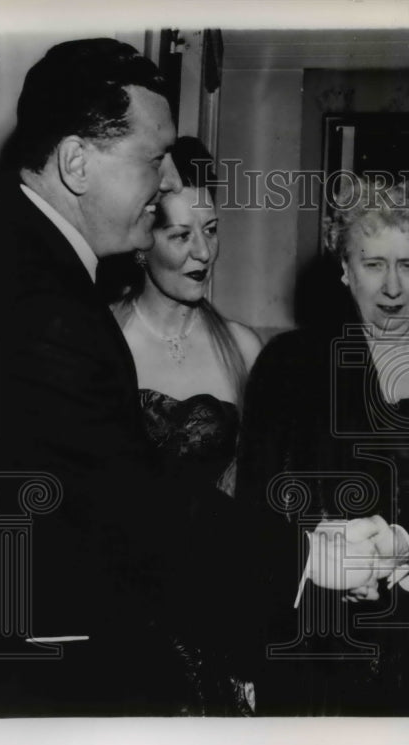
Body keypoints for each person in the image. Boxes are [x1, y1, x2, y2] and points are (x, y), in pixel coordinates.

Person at [0, 39, 207, 716]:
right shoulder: (45, 306)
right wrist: (307, 555)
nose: (166, 185)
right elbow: (134, 513)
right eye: (153, 159)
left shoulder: (1, 254)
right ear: (75, 162)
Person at [235, 176, 409, 715]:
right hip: (325, 652)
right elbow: (255, 515)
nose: (392, 287)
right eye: (373, 264)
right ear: (345, 270)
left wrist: (408, 546)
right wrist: (322, 554)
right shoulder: (290, 366)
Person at [113, 136, 262, 501]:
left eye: (210, 230)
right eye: (181, 236)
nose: (204, 251)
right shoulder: (102, 335)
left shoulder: (243, 348)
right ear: (142, 245)